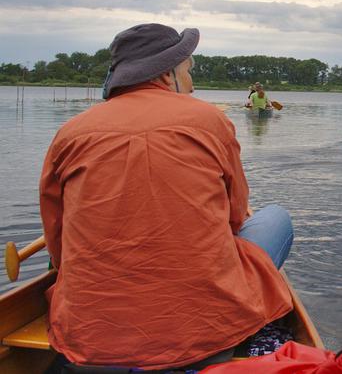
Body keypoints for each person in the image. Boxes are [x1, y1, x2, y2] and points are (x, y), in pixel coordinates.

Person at [39, 23, 295, 370]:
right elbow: (235, 218)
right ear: (168, 73)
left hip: (88, 336)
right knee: (276, 216)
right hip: (200, 333)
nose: (192, 82)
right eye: (189, 70)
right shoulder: (209, 119)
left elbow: (58, 244)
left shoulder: (70, 132)